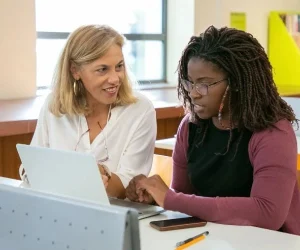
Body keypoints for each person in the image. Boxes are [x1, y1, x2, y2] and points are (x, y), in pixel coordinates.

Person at [126, 26, 300, 235]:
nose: (193, 94)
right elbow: (184, 199)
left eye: (204, 84)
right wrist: (156, 196)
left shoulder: (272, 132)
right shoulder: (191, 127)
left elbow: (268, 213)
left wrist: (171, 199)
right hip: (213, 238)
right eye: (189, 82)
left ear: (237, 83)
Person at [19, 25, 156, 199]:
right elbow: (31, 167)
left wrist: (103, 176)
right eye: (102, 69)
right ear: (75, 71)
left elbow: (130, 187)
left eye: (119, 66)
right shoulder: (55, 105)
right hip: (58, 211)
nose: (115, 79)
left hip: (114, 215)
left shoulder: (140, 110)